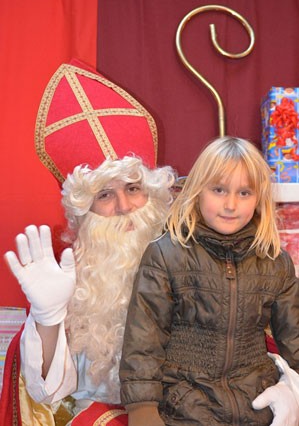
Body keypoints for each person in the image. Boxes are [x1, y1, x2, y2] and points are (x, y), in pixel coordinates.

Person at [3, 61, 176, 425]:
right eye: (104, 195)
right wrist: (48, 318)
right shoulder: (67, 276)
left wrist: (290, 384)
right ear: (83, 212)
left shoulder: (191, 258)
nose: (124, 207)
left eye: (133, 189)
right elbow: (47, 395)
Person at [119, 136, 299, 426]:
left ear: (258, 199)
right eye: (219, 190)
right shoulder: (166, 254)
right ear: (198, 191)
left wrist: (294, 392)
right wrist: (142, 411)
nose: (230, 204)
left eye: (244, 193)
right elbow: (143, 340)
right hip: (184, 404)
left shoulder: (274, 261)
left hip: (256, 402)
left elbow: (294, 338)